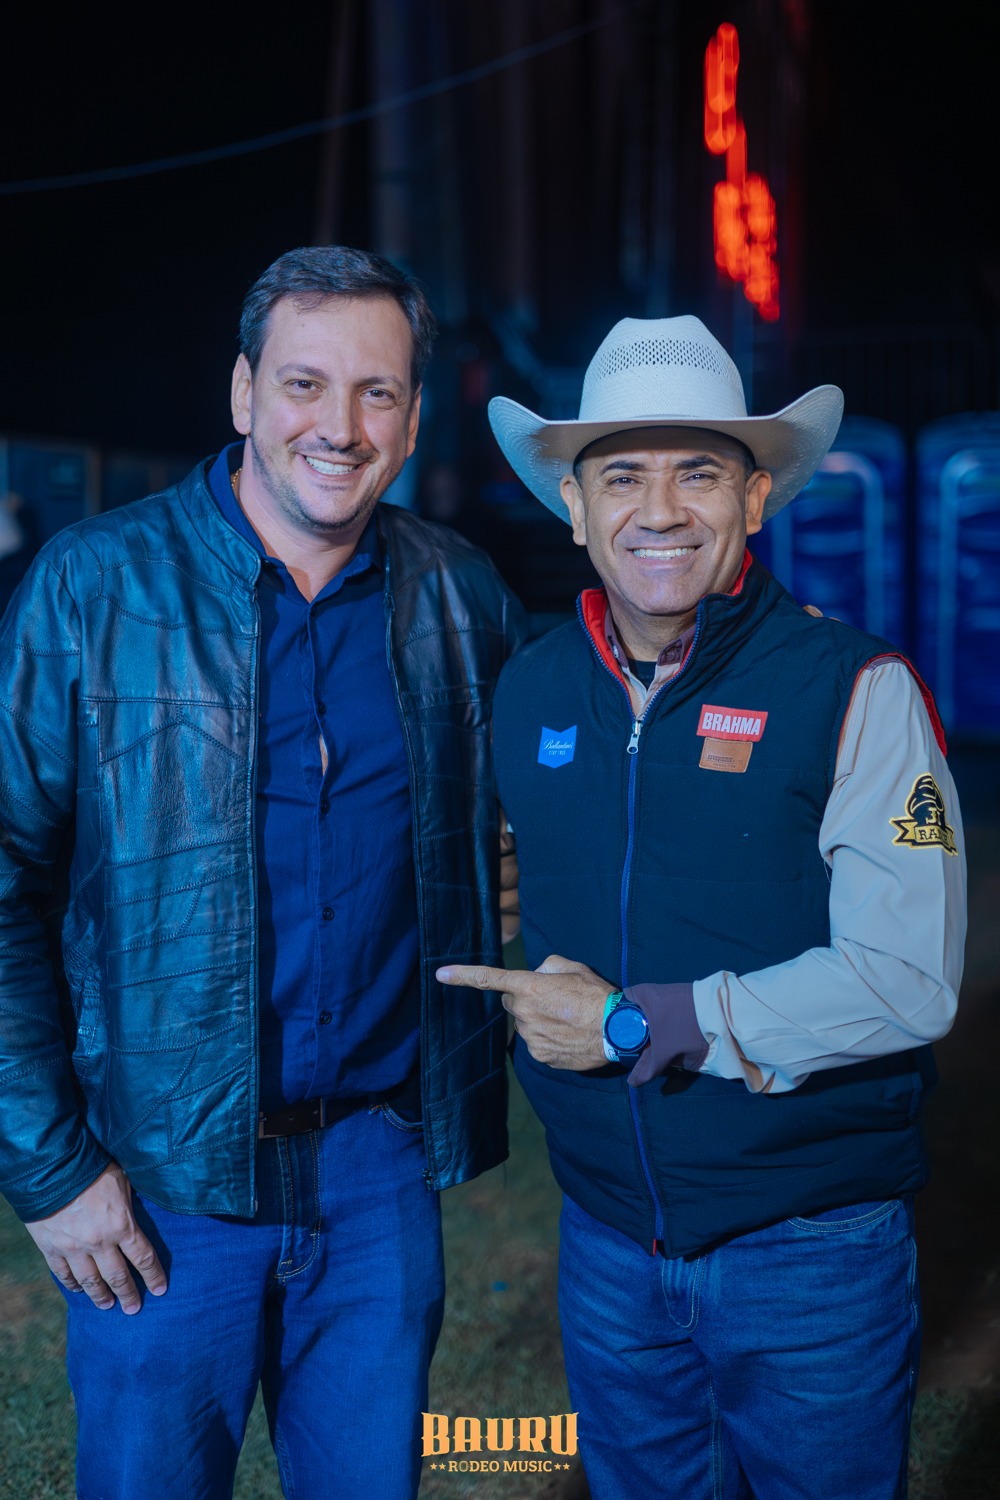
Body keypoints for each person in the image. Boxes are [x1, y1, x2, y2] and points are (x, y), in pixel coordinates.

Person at [0, 245, 526, 1500]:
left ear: (413, 416)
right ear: (242, 393)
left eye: (376, 391)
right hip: (162, 1179)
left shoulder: (460, 597)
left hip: (378, 1171)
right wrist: (50, 1169)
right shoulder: (93, 586)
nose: (338, 426)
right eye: (304, 383)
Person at [439, 315, 966, 1499]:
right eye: (622, 476)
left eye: (698, 473)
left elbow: (908, 978)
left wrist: (638, 1025)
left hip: (811, 1250)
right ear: (574, 508)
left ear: (755, 497)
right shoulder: (531, 689)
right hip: (608, 1240)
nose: (660, 510)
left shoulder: (855, 688)